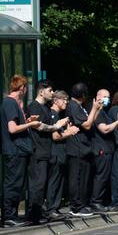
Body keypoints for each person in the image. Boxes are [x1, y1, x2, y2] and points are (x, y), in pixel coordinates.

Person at [1, 75, 41, 227]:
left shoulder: (12, 103)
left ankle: (12, 215)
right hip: (15, 150)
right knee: (13, 183)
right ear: (22, 88)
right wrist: (31, 125)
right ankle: (9, 216)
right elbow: (12, 128)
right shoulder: (10, 103)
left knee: (17, 183)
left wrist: (28, 121)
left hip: (18, 150)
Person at [27, 80, 69, 224]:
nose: (52, 93)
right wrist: (57, 126)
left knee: (42, 183)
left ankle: (39, 213)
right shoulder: (34, 106)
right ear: (41, 91)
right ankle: (33, 215)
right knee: (37, 184)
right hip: (37, 151)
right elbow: (38, 126)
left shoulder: (45, 108)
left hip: (46, 151)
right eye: (50, 90)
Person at [65, 82, 102, 217]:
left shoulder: (79, 107)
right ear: (83, 95)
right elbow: (86, 125)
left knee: (84, 178)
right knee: (77, 178)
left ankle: (82, 204)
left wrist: (97, 109)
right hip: (77, 149)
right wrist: (93, 108)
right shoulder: (74, 107)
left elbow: (90, 121)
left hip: (84, 148)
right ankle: (76, 206)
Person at [91, 89, 118, 212]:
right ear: (98, 97)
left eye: (108, 96)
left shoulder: (104, 112)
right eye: (105, 97)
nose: (107, 99)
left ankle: (102, 201)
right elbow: (105, 129)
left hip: (108, 149)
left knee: (105, 177)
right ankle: (96, 202)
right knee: (101, 177)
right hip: (101, 149)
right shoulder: (97, 112)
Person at [45, 90, 79, 220]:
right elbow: (55, 136)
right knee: (54, 181)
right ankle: (51, 209)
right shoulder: (53, 114)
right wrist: (69, 132)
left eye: (67, 100)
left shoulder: (58, 115)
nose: (66, 102)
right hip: (56, 154)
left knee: (59, 181)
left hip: (61, 154)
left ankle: (56, 207)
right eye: (63, 99)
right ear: (55, 100)